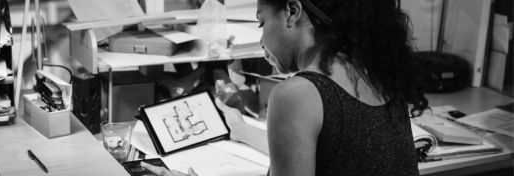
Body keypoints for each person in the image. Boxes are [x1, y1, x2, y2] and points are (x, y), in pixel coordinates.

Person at [141, 0, 428, 175]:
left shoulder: (298, 94)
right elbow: (329, 151)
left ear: (292, 12)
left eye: (261, 22)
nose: (262, 40)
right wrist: (240, 129)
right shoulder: (378, 74)